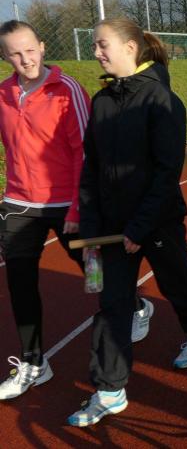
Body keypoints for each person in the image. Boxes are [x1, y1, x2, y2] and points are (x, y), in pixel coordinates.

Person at [67, 18, 187, 427]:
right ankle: (110, 390)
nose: (96, 52)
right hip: (111, 228)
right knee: (112, 304)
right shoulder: (102, 101)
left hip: (156, 222)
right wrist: (91, 222)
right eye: (96, 45)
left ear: (130, 48)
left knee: (176, 285)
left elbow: (167, 173)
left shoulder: (162, 100)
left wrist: (139, 227)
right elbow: (91, 167)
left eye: (102, 45)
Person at [0, 20, 154, 401]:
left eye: (30, 50)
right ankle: (34, 363)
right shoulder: (2, 94)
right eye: (15, 54)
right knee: (19, 283)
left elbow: (86, 155)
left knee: (95, 274)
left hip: (66, 203)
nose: (26, 59)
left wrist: (77, 208)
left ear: (42, 46)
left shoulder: (68, 91)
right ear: (5, 57)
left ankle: (136, 305)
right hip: (19, 203)